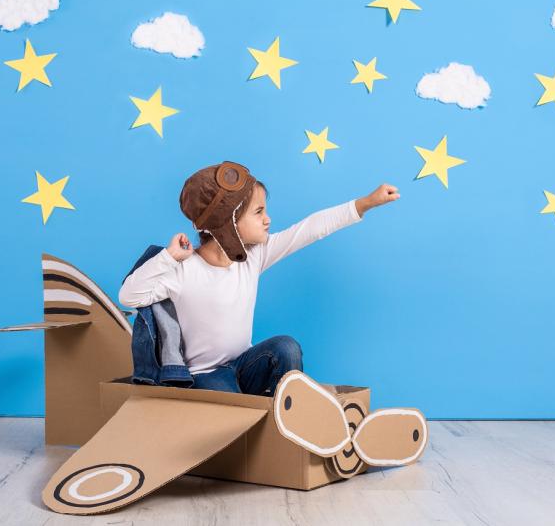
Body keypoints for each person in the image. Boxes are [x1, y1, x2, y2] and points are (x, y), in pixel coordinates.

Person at [118, 161, 399, 395]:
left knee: (286, 347)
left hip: (245, 363)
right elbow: (128, 296)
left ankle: (292, 414)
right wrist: (167, 257)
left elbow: (309, 229)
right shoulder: (183, 270)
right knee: (233, 410)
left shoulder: (252, 257)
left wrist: (365, 203)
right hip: (205, 375)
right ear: (227, 222)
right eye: (259, 212)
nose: (268, 219)